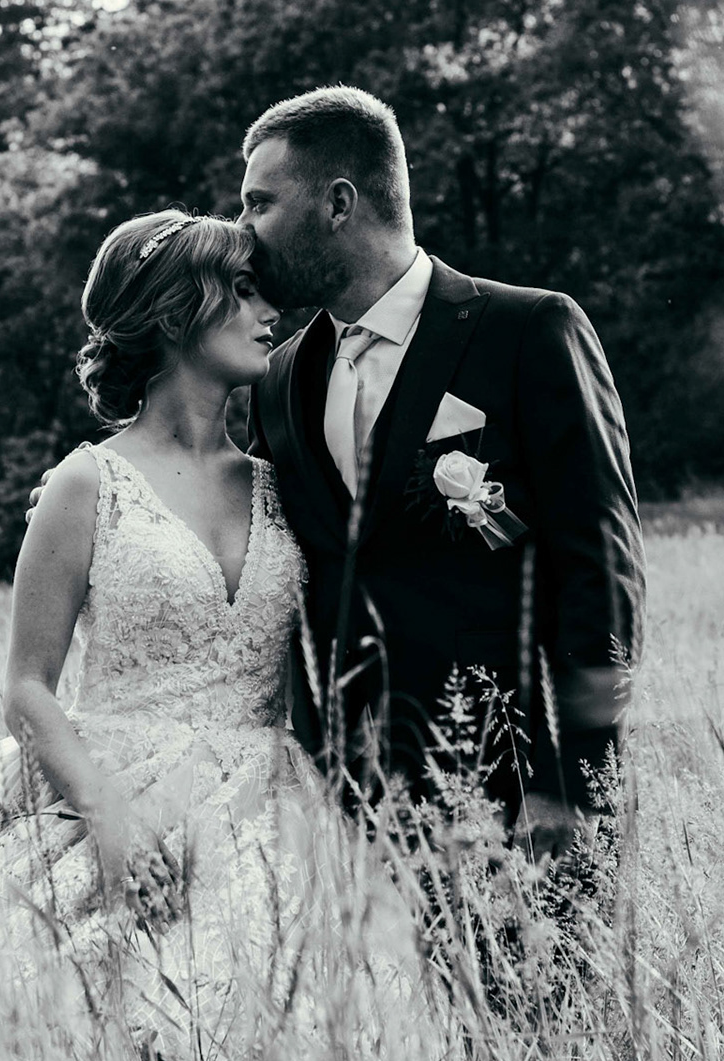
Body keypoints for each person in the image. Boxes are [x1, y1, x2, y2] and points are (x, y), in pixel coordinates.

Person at [0, 210, 351, 1055]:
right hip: (114, 789)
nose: (270, 311)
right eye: (242, 290)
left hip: (271, 805)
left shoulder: (288, 483)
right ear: (175, 311)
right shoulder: (87, 483)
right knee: (82, 1030)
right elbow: (26, 686)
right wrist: (107, 815)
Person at [235, 86, 645, 856]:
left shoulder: (528, 331)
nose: (242, 231)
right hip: (347, 813)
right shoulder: (277, 379)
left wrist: (579, 781)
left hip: (518, 796)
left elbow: (600, 572)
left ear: (338, 203)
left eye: (259, 203)